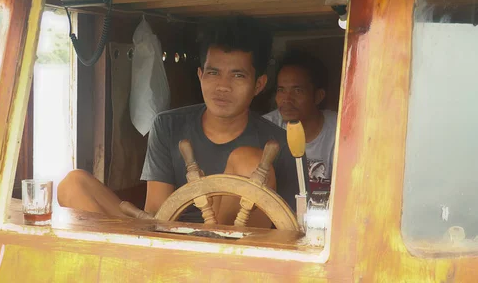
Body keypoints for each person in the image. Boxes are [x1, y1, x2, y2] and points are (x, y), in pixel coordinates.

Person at [58, 17, 304, 227]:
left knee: (249, 161)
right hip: (169, 239)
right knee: (74, 183)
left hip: (233, 256)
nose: (222, 87)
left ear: (258, 84)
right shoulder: (168, 126)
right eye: (213, 72)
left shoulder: (278, 144)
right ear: (200, 76)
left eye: (237, 75)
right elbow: (156, 212)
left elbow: (289, 227)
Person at [263, 51, 337, 184]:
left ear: (318, 96)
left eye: (297, 91)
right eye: (281, 90)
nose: (287, 99)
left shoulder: (340, 131)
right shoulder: (266, 127)